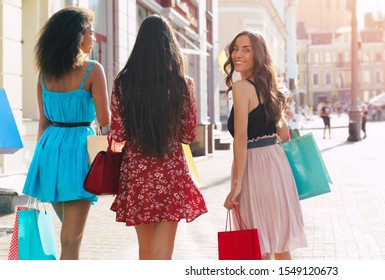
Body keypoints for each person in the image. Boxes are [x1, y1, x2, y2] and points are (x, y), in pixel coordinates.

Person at [109, 14, 207, 260]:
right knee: (164, 255)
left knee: (146, 251)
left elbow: (118, 133)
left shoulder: (123, 83)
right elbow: (188, 135)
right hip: (170, 170)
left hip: (138, 172)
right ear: (170, 45)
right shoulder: (182, 84)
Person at [22, 7, 110, 259]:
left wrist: (40, 162)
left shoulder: (44, 74)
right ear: (76, 35)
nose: (93, 37)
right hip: (78, 153)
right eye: (90, 32)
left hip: (48, 151)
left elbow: (43, 122)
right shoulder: (93, 70)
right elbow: (104, 120)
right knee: (71, 240)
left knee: (68, 234)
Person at [223, 30, 307, 260]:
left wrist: (237, 184)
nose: (237, 54)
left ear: (257, 55)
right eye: (235, 48)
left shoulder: (241, 88)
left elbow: (240, 137)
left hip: (254, 167)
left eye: (246, 50)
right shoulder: (271, 89)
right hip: (277, 166)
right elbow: (283, 133)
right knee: (279, 242)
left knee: (256, 246)